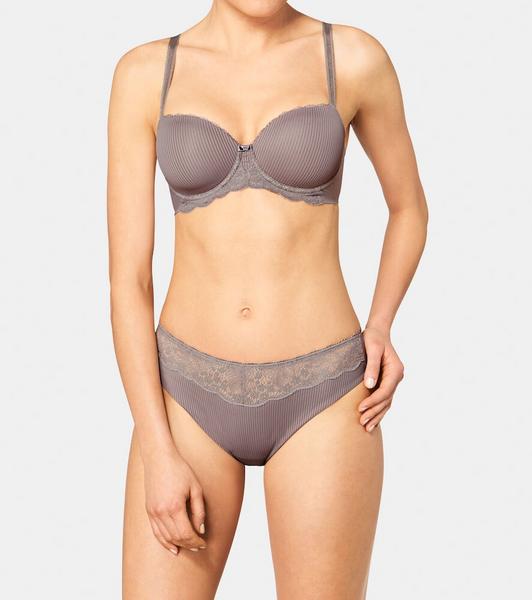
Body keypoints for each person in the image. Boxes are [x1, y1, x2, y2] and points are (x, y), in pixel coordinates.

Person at [107, 2, 428, 598]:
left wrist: (381, 324)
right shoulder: (147, 72)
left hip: (325, 393)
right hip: (185, 397)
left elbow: (409, 208)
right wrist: (156, 448)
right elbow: (129, 281)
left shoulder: (351, 57)